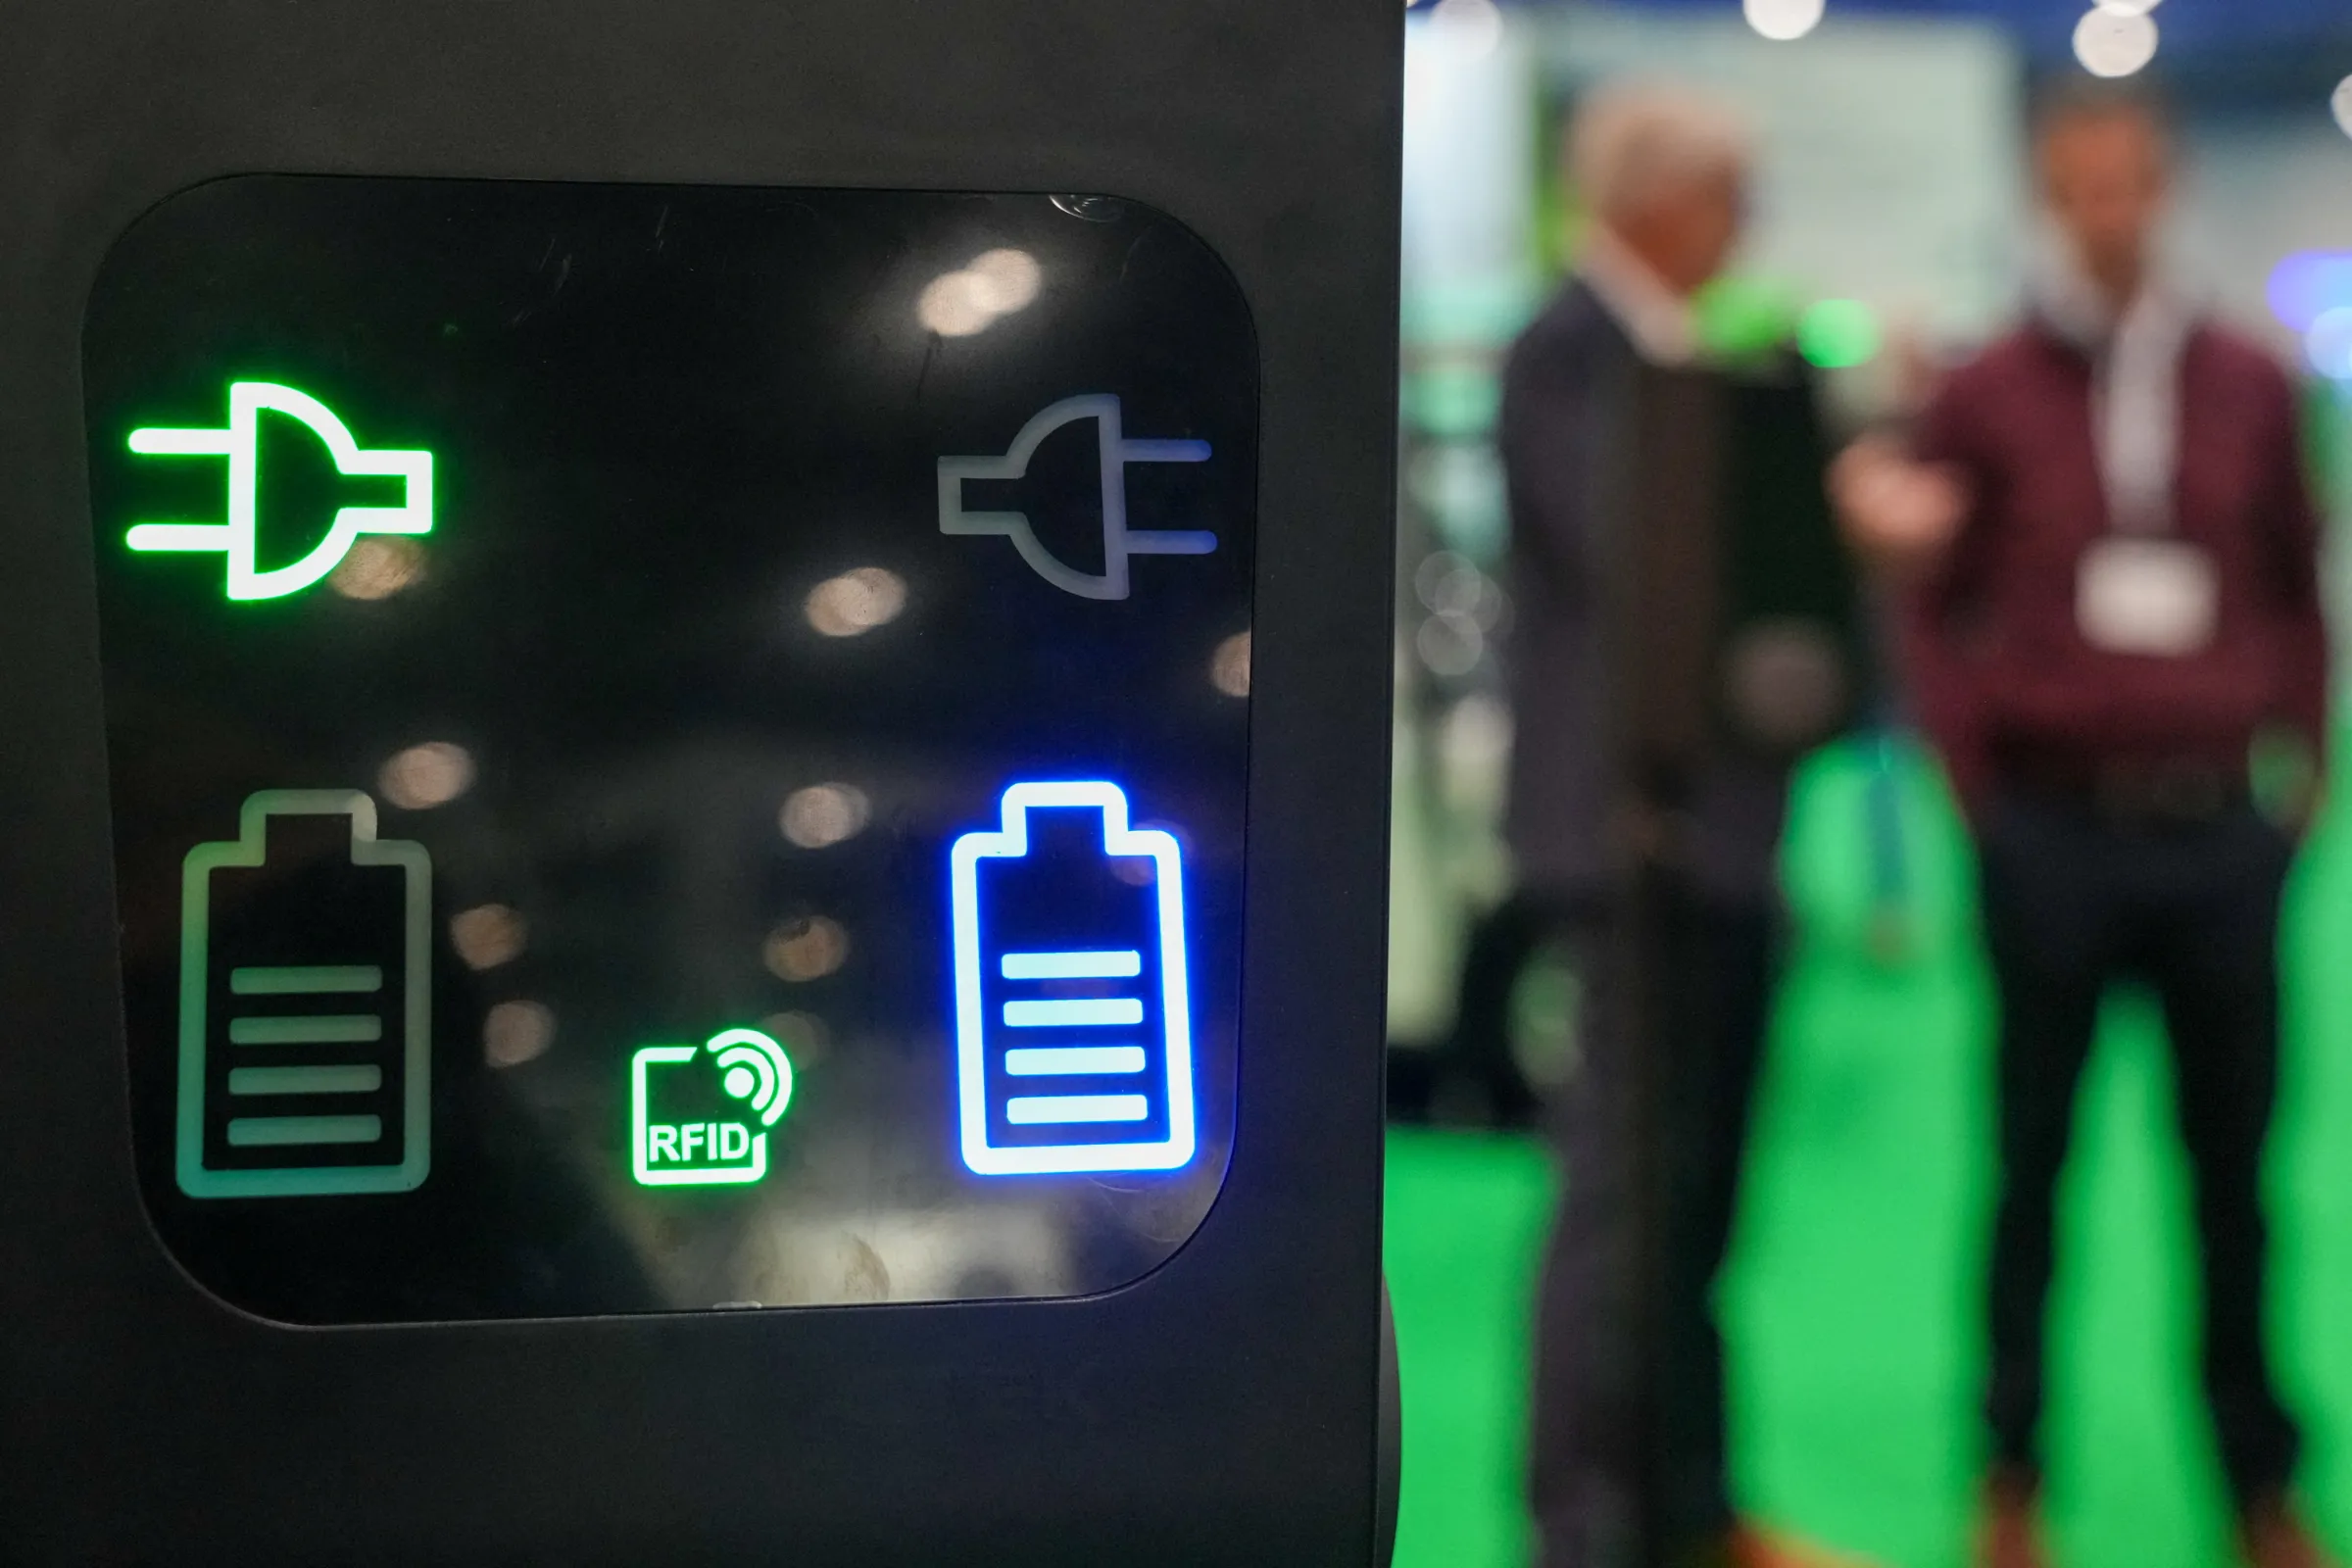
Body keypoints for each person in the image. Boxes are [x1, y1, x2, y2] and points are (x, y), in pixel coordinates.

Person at [1837, 83, 2339, 1568]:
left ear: (2162, 187)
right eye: (2081, 188)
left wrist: (2303, 768)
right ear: (2050, 197)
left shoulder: (2250, 379)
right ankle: (2009, 1471)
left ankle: (2258, 1483)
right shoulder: (1986, 386)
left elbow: (2296, 577)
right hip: (2049, 833)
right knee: (2030, 1168)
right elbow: (1927, 592)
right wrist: (1967, 771)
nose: (2107, 212)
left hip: (2218, 837)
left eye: (2128, 185)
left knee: (2238, 1180)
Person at [1506, 83, 1867, 1568]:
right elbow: (1635, 565)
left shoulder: (1680, 358)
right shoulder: (1567, 354)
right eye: (1731, 193)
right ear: (1661, 200)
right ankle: (1588, 1522)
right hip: (1622, 848)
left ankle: (1692, 1507)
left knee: (1697, 1198)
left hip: (1720, 838)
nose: (1745, 227)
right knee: (1619, 1205)